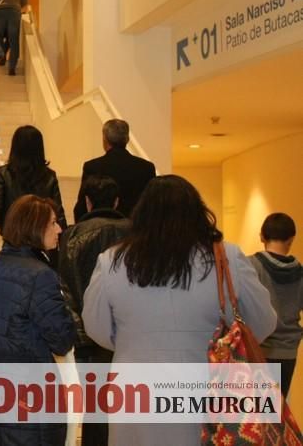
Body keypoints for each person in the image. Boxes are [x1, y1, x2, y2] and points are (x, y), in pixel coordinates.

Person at [83, 175, 277, 445]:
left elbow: (96, 327)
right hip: (208, 385)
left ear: (141, 215)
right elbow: (264, 321)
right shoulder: (226, 257)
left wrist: (131, 342)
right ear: (197, 212)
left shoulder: (112, 261)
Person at [0, 195, 75, 446]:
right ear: (35, 228)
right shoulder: (41, 276)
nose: (60, 229)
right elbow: (62, 340)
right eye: (54, 223)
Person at [57, 175, 129, 446]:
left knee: (95, 410)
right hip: (128, 337)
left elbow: (64, 287)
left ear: (86, 202)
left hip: (88, 339)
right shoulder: (135, 233)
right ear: (117, 201)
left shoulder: (73, 235)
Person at [250, 212, 303, 396]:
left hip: (256, 348)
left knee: (255, 415)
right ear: (291, 239)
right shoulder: (300, 272)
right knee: (278, 411)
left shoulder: (251, 266)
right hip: (288, 351)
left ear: (262, 236)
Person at [72, 118, 156, 221]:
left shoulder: (92, 167)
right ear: (127, 139)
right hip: (135, 231)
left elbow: (81, 208)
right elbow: (151, 207)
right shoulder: (146, 168)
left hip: (101, 229)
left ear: (105, 139)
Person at [0, 125, 66, 233]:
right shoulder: (49, 176)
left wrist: (7, 227)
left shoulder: (3, 174)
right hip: (41, 236)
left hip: (13, 237)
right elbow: (58, 212)